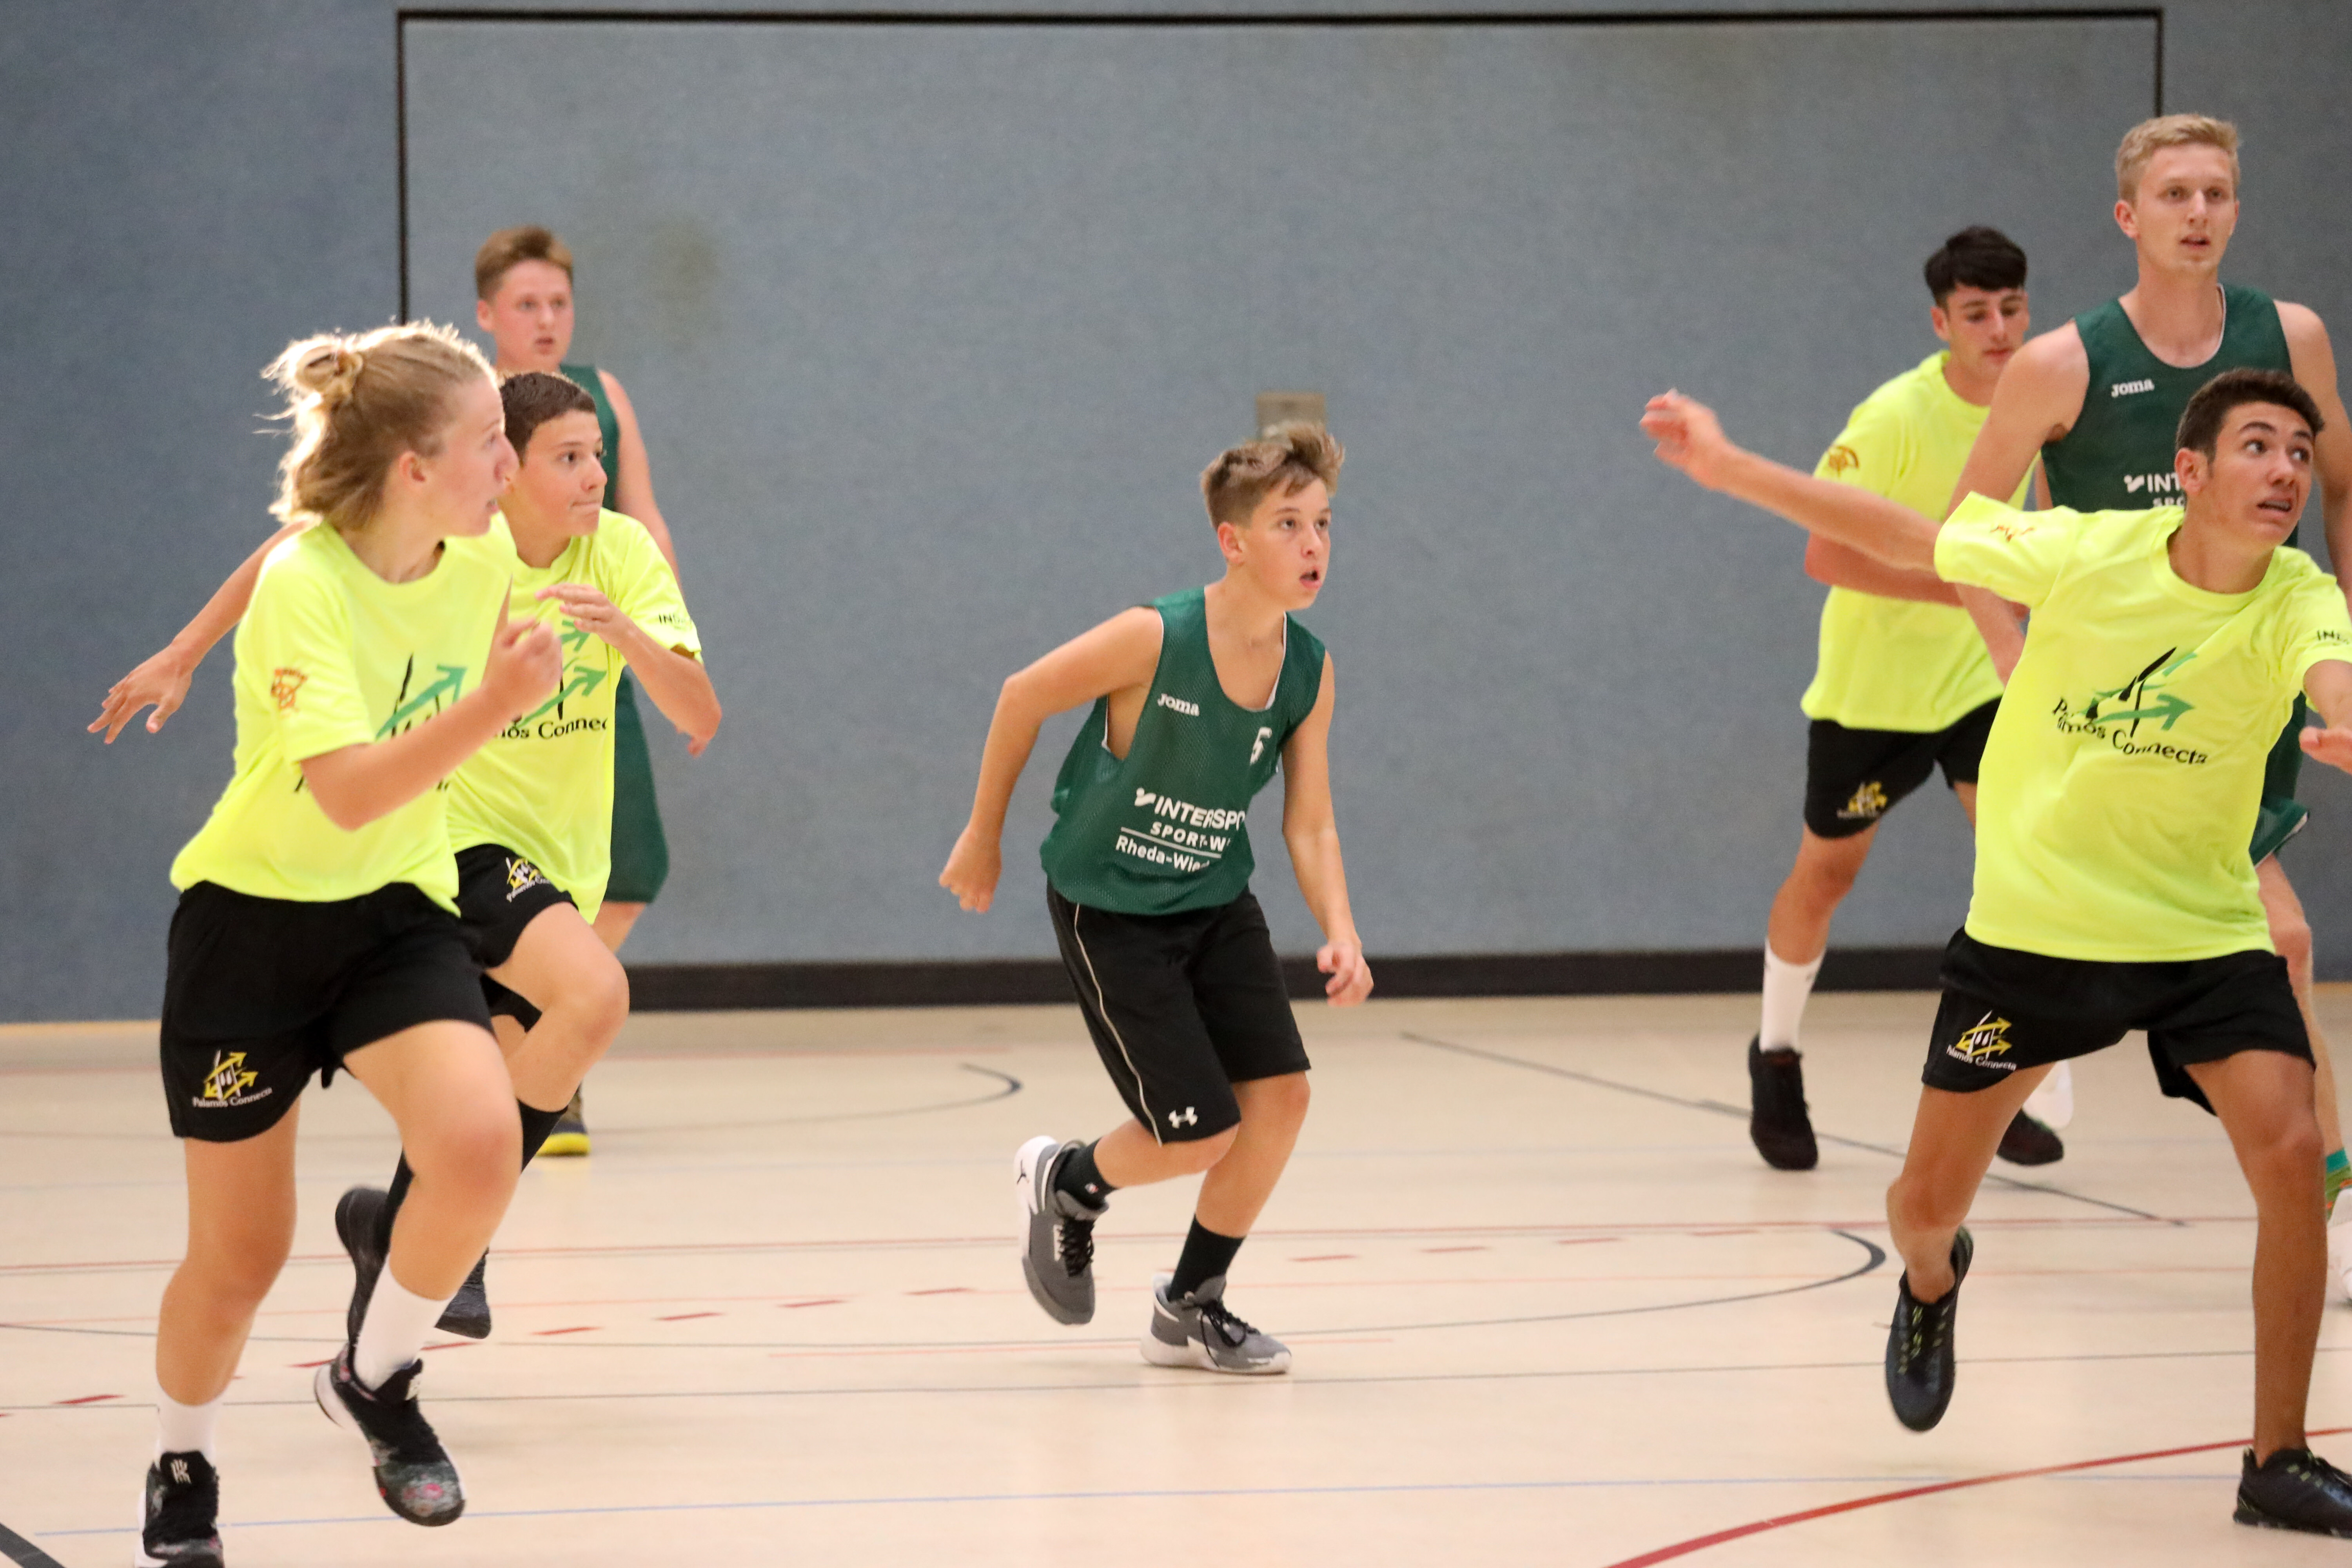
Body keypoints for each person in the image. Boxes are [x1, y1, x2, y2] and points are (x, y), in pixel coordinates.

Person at [1644, 367, 2352, 1535]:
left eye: (2298, 453)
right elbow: (1910, 537)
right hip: (2037, 933)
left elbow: (2333, 674)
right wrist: (1729, 468)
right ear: (2190, 471)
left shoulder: (2299, 595)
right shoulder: (2086, 550)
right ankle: (1933, 1278)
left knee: (2292, 1154)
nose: (2284, 471)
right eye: (2259, 446)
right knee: (1923, 1206)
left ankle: (2277, 1457)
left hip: (2201, 931)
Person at [94, 372, 720, 1345]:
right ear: (506, 469)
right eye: (569, 456)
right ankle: (451, 1250)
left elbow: (700, 715)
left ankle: (394, 1232)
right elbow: (295, 548)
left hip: (565, 863)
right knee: (594, 994)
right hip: (456, 838)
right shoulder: (460, 544)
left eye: (598, 452)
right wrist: (184, 650)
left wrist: (626, 633)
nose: (596, 474)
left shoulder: (621, 552)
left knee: (500, 1095)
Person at [125, 324, 563, 1564]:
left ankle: (375, 1378)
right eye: (491, 442)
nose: (511, 464)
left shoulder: (480, 563)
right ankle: (181, 1458)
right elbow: (349, 792)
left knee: (479, 1143)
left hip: (394, 917)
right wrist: (497, 704)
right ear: (414, 469)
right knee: (240, 1260)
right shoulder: (306, 589)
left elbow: (394, 815)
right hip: (251, 932)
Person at [1942, 115, 2352, 1259]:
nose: (2198, 213)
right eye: (2175, 194)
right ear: (2129, 215)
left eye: (2216, 192)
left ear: (2237, 210)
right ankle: (1955, 1195)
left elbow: (2344, 485)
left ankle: (2320, 1194)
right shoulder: (2062, 364)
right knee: (2124, 953)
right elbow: (1968, 529)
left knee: (2283, 941)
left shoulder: (2293, 337)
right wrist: (2014, 658)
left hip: (2243, 699)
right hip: (2109, 719)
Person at [938, 423, 1372, 1374]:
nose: (1314, 544)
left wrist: (1341, 930)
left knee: (1283, 1097)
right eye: (1289, 524)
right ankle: (1066, 1178)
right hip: (1113, 908)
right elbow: (1022, 695)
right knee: (1199, 1133)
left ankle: (1190, 1304)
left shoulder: (1308, 669)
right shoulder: (1156, 636)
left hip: (1214, 899)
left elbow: (1310, 823)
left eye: (1324, 523)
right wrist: (983, 834)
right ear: (1232, 540)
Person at [1747, 225, 2062, 1173]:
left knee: (2020, 869)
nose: (1999, 328)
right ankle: (1776, 1051)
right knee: (1827, 876)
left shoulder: (2042, 402)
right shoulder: (1893, 416)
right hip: (1874, 693)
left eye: (2012, 308)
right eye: (1977, 313)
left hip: (1980, 682)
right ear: (1941, 323)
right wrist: (1964, 590)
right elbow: (1823, 552)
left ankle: (1994, 1073)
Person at [473, 224, 686, 1153]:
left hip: (598, 647)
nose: (547, 318)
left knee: (629, 875)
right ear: (488, 315)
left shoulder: (605, 393)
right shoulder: (468, 403)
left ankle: (549, 1043)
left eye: (559, 302)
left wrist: (668, 640)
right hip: (492, 679)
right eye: (527, 303)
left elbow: (645, 517)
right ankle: (530, 1070)